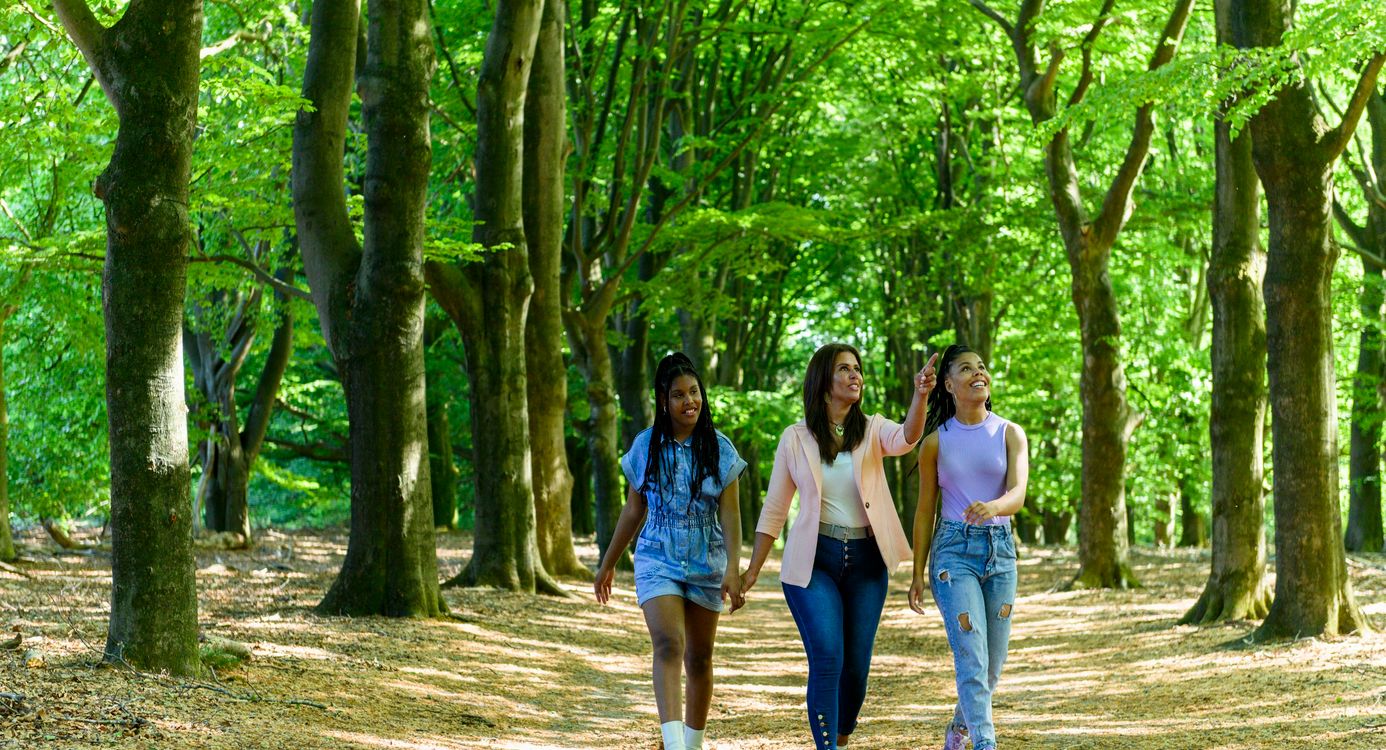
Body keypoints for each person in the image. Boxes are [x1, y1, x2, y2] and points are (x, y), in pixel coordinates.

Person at [741, 342, 937, 750]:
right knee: (828, 657)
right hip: (815, 562)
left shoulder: (873, 429)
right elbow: (775, 509)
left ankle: (842, 738)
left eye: (857, 368)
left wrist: (920, 395)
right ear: (823, 381)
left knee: (856, 670)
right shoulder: (795, 438)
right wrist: (752, 570)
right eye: (844, 369)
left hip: (867, 563)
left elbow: (908, 437)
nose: (855, 375)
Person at [594, 352, 748, 750]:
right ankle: (674, 744)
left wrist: (733, 568)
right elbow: (634, 510)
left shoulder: (719, 448)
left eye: (694, 392)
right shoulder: (645, 446)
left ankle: (692, 744)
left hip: (706, 557)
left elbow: (730, 513)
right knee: (669, 644)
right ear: (663, 400)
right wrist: (608, 563)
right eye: (678, 395)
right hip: (657, 555)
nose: (689, 401)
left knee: (699, 657)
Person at [908, 344, 1029, 750]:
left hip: (1000, 551)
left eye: (981, 366)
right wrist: (917, 573)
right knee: (972, 656)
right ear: (948, 384)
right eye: (965, 368)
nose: (978, 372)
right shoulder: (935, 443)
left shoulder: (1010, 433)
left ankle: (959, 730)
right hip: (953, 553)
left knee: (992, 663)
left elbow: (1019, 494)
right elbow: (925, 510)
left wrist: (994, 507)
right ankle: (985, 743)